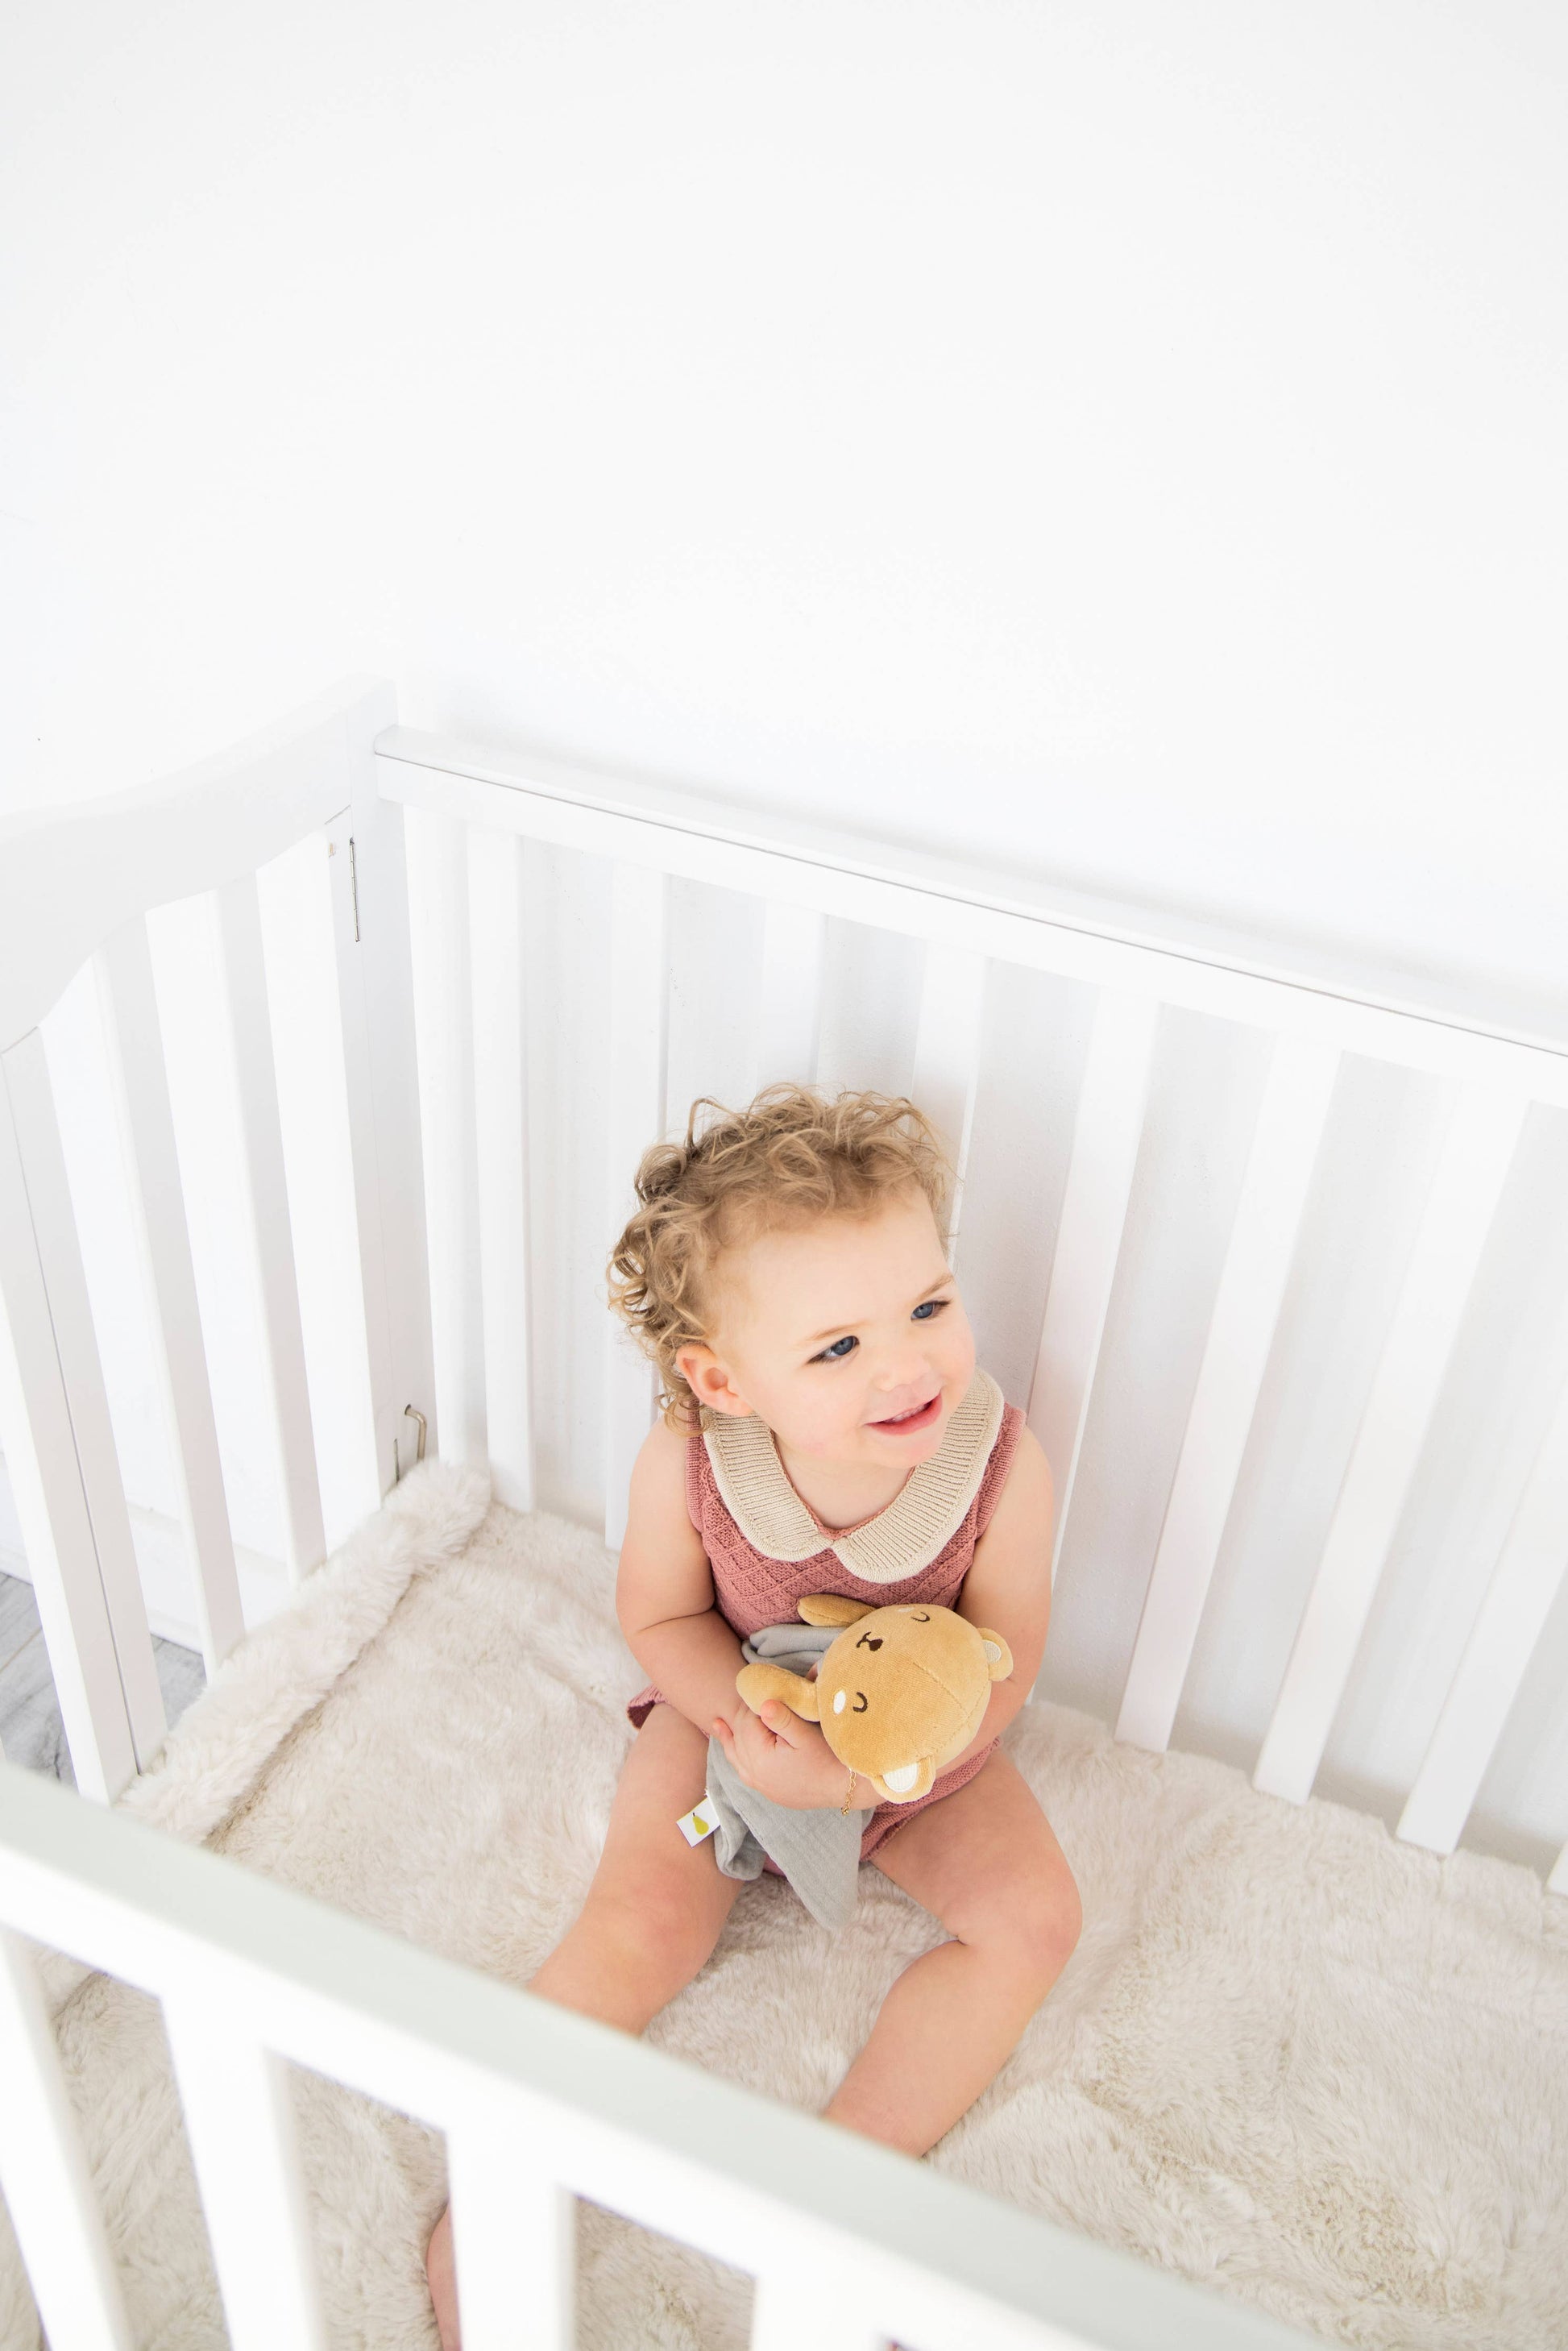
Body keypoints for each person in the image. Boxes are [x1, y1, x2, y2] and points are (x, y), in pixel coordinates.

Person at [427, 1085, 1081, 2346]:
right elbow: (663, 1620)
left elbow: (1010, 1653)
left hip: (913, 1750)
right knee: (635, 1925)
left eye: (928, 1306)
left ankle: (837, 2193)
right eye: (835, 1347)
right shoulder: (692, 1457)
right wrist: (742, 1729)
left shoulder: (997, 1458)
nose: (905, 1363)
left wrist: (873, 1775)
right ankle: (492, 2197)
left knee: (1036, 1917)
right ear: (722, 1379)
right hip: (735, 1724)